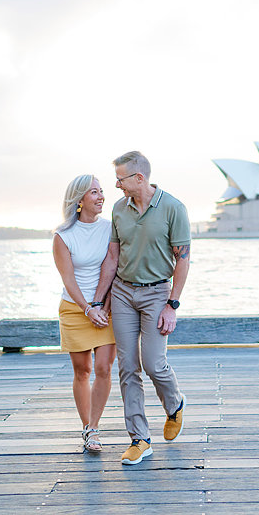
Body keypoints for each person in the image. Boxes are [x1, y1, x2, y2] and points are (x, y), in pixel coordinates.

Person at [89, 151, 191, 465]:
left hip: (157, 294)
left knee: (154, 364)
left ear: (139, 178)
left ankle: (174, 404)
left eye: (120, 179)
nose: (116, 185)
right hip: (122, 293)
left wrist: (172, 305)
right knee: (127, 367)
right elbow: (112, 258)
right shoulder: (120, 210)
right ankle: (140, 439)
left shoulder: (173, 208)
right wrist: (98, 299)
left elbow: (183, 260)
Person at [52, 175, 117, 453]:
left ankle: (95, 427)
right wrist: (88, 308)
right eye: (94, 192)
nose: (101, 196)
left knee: (103, 368)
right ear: (79, 200)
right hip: (76, 309)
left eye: (102, 191)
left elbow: (115, 267)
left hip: (107, 307)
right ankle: (87, 428)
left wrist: (102, 304)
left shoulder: (111, 229)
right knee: (83, 370)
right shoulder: (63, 236)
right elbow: (69, 280)